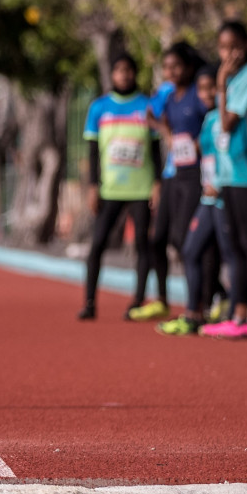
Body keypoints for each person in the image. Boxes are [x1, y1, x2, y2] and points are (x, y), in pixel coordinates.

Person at [199, 21, 247, 340]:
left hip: (246, 171)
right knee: (234, 244)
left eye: (234, 46)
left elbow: (227, 123)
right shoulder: (236, 79)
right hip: (229, 173)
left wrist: (220, 83)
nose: (228, 53)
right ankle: (238, 311)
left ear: (246, 45)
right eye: (222, 48)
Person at [78, 54, 162, 321]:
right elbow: (92, 152)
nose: (124, 75)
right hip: (110, 190)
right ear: (112, 75)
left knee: (141, 244)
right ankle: (90, 303)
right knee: (97, 244)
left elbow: (157, 150)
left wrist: (157, 183)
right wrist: (92, 186)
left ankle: (138, 300)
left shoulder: (147, 106)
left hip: (141, 189)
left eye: (128, 70)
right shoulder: (99, 108)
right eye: (119, 70)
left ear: (135, 73)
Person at [133, 42, 209, 321]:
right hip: (172, 174)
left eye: (176, 66)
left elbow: (208, 126)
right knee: (159, 239)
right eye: (166, 67)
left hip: (196, 176)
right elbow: (150, 115)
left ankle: (205, 299)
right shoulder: (169, 95)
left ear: (188, 67)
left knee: (183, 239)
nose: (171, 72)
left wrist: (195, 145)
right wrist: (161, 126)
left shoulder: (197, 95)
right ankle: (164, 300)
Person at [158, 65, 234, 336]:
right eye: (201, 89)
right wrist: (164, 129)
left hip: (226, 196)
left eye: (211, 88)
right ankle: (193, 313)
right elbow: (196, 151)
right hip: (207, 196)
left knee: (230, 254)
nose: (205, 94)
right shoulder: (210, 119)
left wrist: (221, 183)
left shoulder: (228, 118)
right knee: (189, 250)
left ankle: (235, 313)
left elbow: (233, 152)